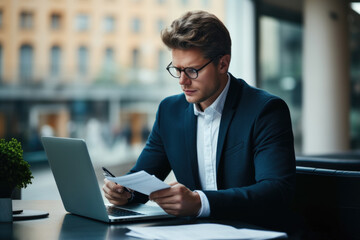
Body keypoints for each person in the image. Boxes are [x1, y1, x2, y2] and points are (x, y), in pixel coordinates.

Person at [103, 10, 295, 228]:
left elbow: (276, 191)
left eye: (192, 70)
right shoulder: (169, 111)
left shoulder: (265, 110)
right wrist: (124, 191)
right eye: (177, 69)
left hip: (254, 231)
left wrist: (199, 202)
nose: (182, 81)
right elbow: (143, 177)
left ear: (223, 64)